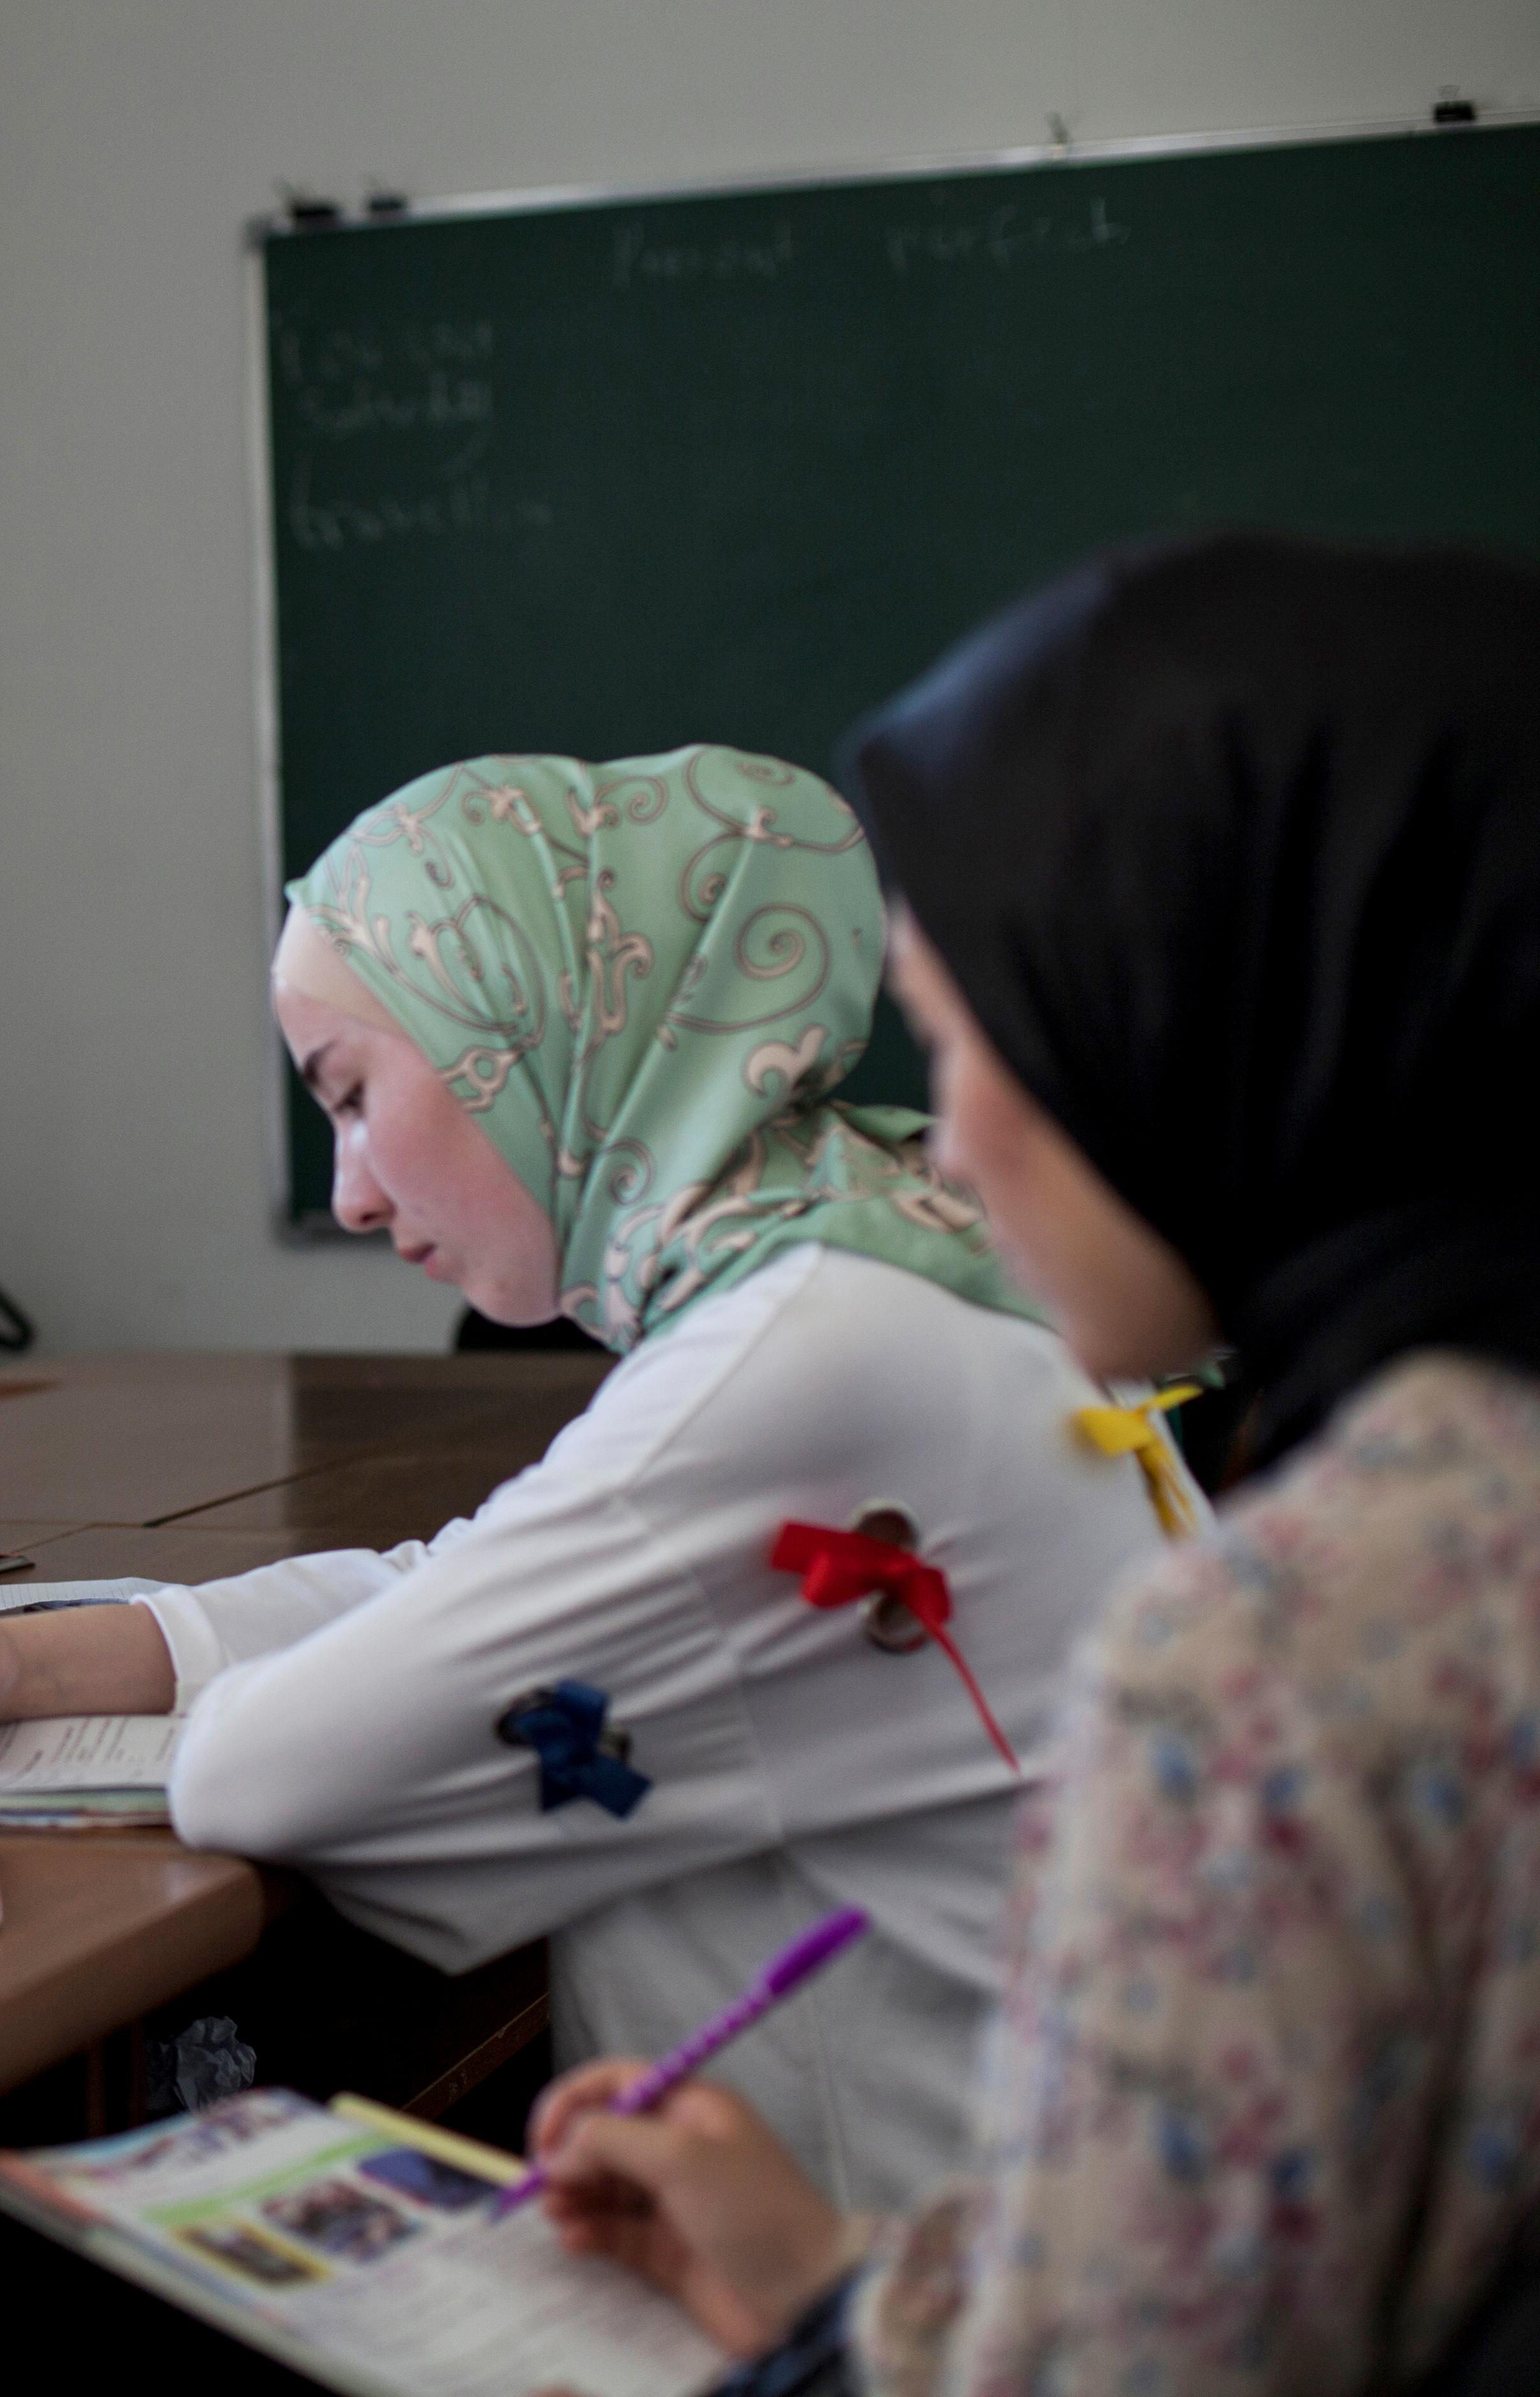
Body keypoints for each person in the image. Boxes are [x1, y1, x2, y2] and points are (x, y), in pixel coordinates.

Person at [0, 745, 1175, 2210]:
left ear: (526, 1027)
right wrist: (28, 1659)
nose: (346, 1190)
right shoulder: (887, 1258)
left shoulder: (804, 1360)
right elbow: (465, 1578)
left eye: (349, 1091)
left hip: (909, 2306)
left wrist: (190, 1691)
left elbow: (260, 1771)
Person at [520, 537, 1540, 2396]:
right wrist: (855, 2286)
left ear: (1214, 998)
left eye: (977, 1028)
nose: (956, 1139)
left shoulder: (1281, 1655)